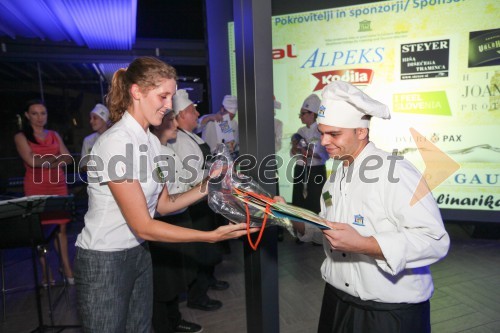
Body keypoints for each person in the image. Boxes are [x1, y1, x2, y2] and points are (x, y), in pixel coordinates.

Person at [73, 57, 255, 333]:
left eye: (171, 96)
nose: (169, 105)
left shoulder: (151, 143)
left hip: (138, 252)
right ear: (136, 92)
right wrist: (209, 236)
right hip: (104, 259)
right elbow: (143, 225)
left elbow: (166, 205)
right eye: (163, 95)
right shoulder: (116, 142)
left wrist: (210, 184)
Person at [292, 81, 450, 333]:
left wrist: (365, 245)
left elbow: (434, 240)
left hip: (388, 313)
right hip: (337, 301)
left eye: (333, 134)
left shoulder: (396, 172)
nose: (324, 142)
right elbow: (329, 228)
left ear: (361, 132)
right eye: (321, 133)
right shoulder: (336, 175)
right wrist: (289, 217)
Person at [169, 89, 230, 312]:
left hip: (205, 196)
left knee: (209, 245)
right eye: (193, 110)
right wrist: (214, 172)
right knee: (201, 247)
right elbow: (190, 176)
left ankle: (208, 279)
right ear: (181, 115)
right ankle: (198, 294)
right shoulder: (182, 142)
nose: (197, 113)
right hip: (195, 201)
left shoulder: (192, 136)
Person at [149, 109, 202, 333]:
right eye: (170, 121)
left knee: (175, 278)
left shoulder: (168, 150)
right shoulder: (153, 154)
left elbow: (184, 182)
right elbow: (164, 203)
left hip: (179, 216)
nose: (175, 125)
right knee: (163, 282)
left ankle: (174, 319)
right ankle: (164, 326)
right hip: (163, 223)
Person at [14, 99, 75, 286]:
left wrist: (50, 160)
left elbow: (69, 158)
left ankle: (66, 268)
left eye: (43, 113)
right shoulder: (21, 136)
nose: (40, 117)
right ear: (27, 115)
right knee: (40, 231)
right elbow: (32, 161)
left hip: (58, 185)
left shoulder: (54, 135)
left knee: (61, 229)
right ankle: (46, 271)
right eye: (35, 113)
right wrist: (56, 159)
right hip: (36, 187)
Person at [293, 93, 328, 215]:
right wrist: (297, 147)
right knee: (298, 205)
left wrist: (305, 150)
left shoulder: (320, 131)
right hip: (300, 170)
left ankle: (316, 232)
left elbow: (319, 153)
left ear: (312, 114)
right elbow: (293, 151)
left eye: (303, 114)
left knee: (315, 205)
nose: (300, 117)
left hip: (315, 171)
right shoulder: (300, 131)